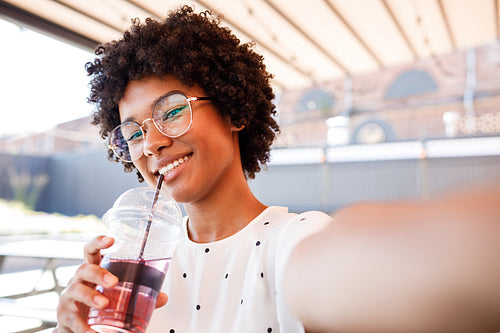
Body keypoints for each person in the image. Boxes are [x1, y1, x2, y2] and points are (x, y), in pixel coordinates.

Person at [55, 5, 500, 333]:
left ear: (233, 112)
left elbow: (348, 270)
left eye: (172, 111)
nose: (150, 142)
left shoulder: (292, 241)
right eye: (131, 132)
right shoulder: (132, 277)